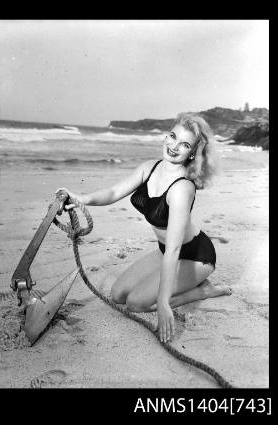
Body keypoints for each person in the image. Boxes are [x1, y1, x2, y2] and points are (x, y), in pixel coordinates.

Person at [56, 113, 232, 344]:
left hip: (195, 256)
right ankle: (185, 288)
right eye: (173, 136)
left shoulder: (182, 189)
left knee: (137, 304)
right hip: (164, 249)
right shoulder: (149, 168)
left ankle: (203, 291)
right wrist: (81, 198)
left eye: (185, 144)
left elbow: (174, 250)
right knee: (118, 295)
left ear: (192, 153)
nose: (174, 146)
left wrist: (163, 303)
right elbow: (112, 193)